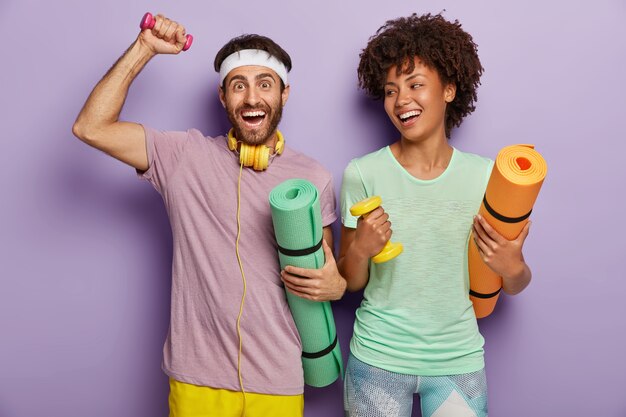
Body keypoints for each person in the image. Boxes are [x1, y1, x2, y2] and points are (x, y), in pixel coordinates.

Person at [72, 13, 347, 417]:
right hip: (196, 378)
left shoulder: (313, 178)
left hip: (278, 378)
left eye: (264, 84)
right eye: (239, 85)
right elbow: (90, 127)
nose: (252, 98)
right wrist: (144, 48)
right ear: (223, 97)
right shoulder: (183, 156)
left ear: (284, 94)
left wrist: (336, 285)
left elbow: (325, 270)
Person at [337, 13, 532, 417]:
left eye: (415, 85)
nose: (401, 100)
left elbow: (515, 282)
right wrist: (360, 251)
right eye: (390, 91)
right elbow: (350, 281)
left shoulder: (485, 177)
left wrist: (513, 267)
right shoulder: (362, 173)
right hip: (378, 357)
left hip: (457, 360)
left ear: (449, 90)